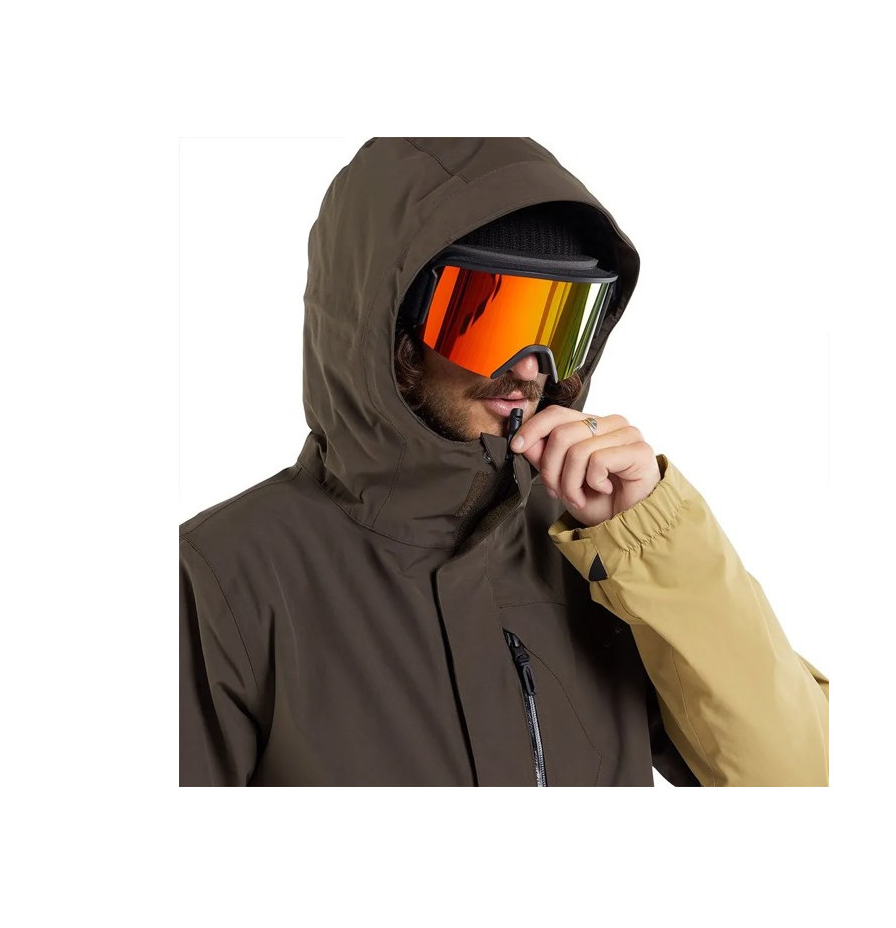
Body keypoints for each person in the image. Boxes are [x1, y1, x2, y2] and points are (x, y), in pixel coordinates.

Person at [180, 136, 829, 786]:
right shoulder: (224, 575)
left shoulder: (594, 553)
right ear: (392, 332)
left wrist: (652, 540)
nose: (529, 369)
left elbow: (800, 777)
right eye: (489, 319)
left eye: (562, 324)